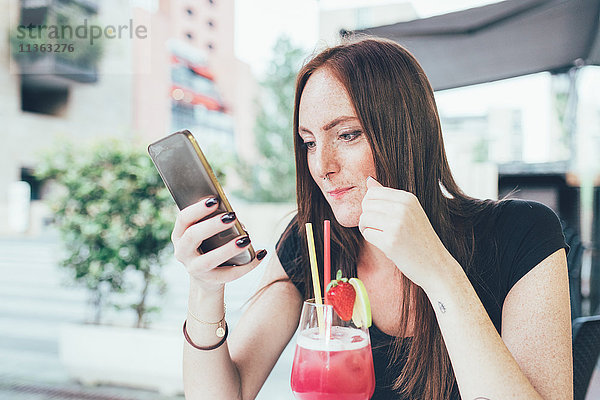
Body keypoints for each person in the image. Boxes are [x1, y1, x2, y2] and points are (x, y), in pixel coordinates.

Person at [172, 36, 573, 400]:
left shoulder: (522, 233)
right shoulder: (312, 240)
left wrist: (438, 272)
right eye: (309, 142)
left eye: (347, 135)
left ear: (406, 133)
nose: (322, 166)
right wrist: (205, 289)